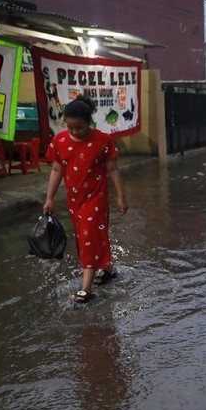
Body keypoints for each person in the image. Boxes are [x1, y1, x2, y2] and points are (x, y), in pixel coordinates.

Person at [43, 95, 128, 303]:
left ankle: (86, 289)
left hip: (97, 198)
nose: (73, 131)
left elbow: (113, 169)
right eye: (69, 126)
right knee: (85, 237)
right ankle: (107, 268)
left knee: (89, 235)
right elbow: (56, 169)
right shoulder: (59, 141)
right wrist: (50, 198)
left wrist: (121, 196)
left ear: (89, 122)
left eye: (78, 127)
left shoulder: (103, 141)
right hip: (75, 200)